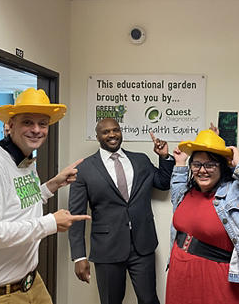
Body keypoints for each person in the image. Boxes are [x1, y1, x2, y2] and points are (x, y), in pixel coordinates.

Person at [0, 88, 91, 304]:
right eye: (28, 122)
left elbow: (18, 204)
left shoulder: (24, 159)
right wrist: (50, 223)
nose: (36, 130)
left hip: (31, 283)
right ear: (10, 125)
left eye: (43, 124)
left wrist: (52, 185)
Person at [165, 129, 239, 304]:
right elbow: (176, 190)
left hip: (217, 279)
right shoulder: (186, 191)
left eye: (210, 165)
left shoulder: (236, 194)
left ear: (222, 167)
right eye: (197, 164)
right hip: (180, 273)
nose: (202, 170)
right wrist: (180, 163)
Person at [67, 119, 174, 304]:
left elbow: (163, 183)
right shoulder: (84, 169)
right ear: (98, 136)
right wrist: (79, 256)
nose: (112, 135)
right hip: (107, 248)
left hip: (143, 245)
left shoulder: (140, 160)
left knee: (149, 300)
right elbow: (76, 216)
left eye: (115, 130)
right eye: (106, 132)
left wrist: (164, 157)